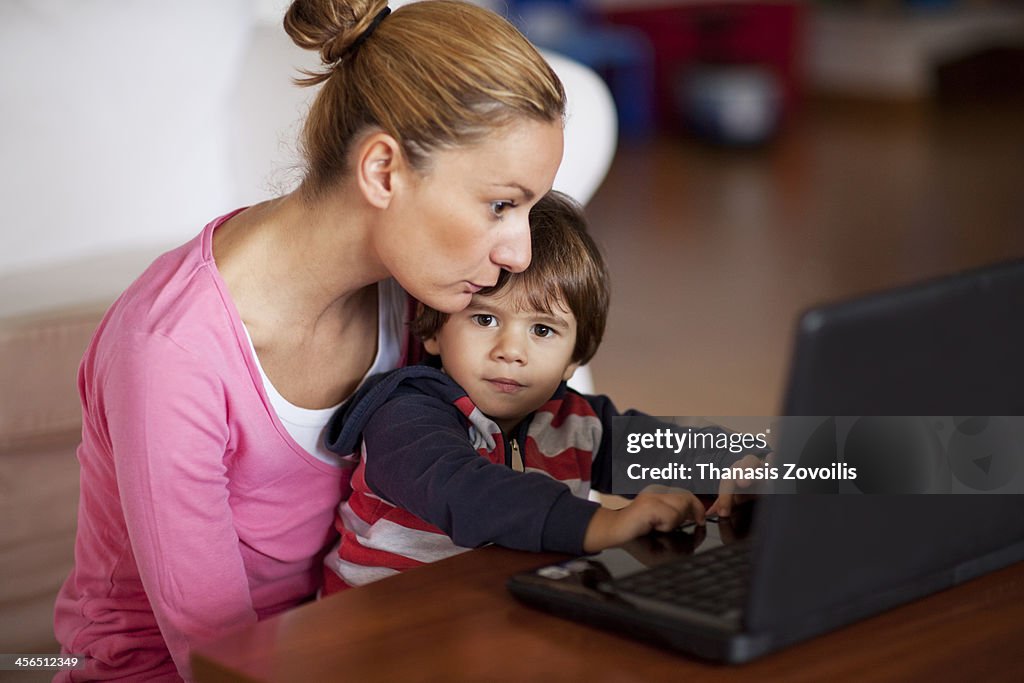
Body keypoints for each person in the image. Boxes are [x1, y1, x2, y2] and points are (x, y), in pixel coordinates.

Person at [53, 1, 567, 680]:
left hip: (359, 640)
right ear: (384, 171)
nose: (521, 252)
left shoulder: (425, 288)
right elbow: (219, 658)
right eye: (502, 204)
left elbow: (558, 435)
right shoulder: (172, 352)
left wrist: (731, 461)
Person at [322, 191, 765, 592]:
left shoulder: (576, 422)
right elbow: (469, 495)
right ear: (434, 328)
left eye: (542, 329)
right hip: (382, 638)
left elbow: (660, 445)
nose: (511, 351)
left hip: (490, 623)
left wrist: (739, 464)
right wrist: (601, 525)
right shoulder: (405, 417)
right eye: (485, 320)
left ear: (575, 356)